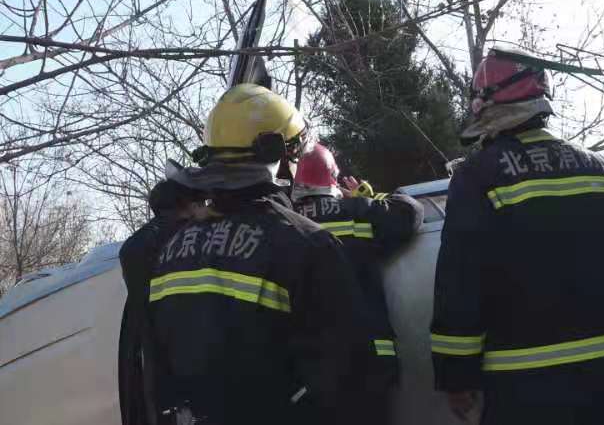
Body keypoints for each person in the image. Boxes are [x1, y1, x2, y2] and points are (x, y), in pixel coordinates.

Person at [430, 47, 604, 425]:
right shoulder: (597, 167)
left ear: (484, 104)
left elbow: (460, 283)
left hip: (526, 383)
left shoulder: (478, 175)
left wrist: (456, 376)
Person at [143, 83, 373, 425]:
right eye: (294, 154)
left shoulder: (171, 248)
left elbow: (159, 361)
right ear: (279, 157)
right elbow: (350, 371)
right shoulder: (306, 243)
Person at [291, 143, 424, 425]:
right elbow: (411, 212)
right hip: (368, 361)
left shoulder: (284, 221)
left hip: (309, 369)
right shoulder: (358, 210)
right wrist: (367, 195)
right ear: (332, 177)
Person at [119, 179, 205, 425]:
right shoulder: (190, 240)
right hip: (189, 367)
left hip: (151, 367)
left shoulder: (133, 246)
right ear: (188, 206)